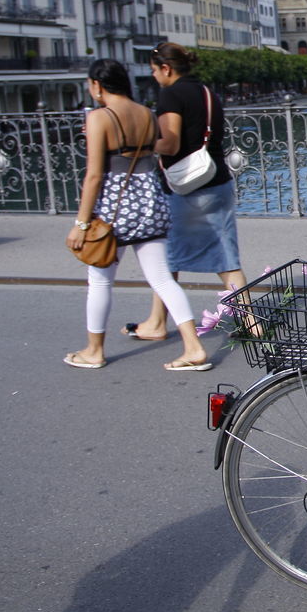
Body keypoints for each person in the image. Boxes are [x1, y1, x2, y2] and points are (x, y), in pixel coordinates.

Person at [63, 59, 210, 371]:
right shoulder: (145, 112)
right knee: (161, 278)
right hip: (150, 201)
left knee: (100, 280)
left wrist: (80, 224)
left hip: (115, 207)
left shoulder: (99, 117)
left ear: (97, 86)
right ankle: (193, 347)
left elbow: (93, 176)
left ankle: (94, 350)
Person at [124, 43, 247, 341]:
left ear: (166, 68)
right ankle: (250, 320)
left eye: (154, 71)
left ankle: (158, 323)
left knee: (167, 257)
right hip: (218, 179)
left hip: (188, 188)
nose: (154, 77)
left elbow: (171, 143)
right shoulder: (207, 93)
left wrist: (137, 146)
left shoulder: (171, 94)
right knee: (224, 254)